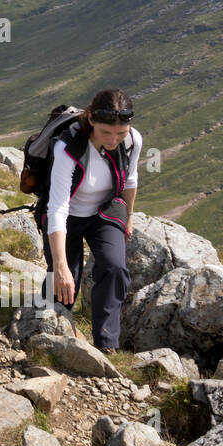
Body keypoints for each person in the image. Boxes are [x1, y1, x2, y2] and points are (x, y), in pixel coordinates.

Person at [41, 89, 142, 354]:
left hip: (105, 210)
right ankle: (47, 331)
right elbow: (58, 208)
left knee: (115, 269)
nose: (114, 140)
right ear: (93, 121)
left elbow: (130, 180)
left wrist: (129, 218)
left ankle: (107, 344)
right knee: (65, 281)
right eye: (106, 132)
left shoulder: (132, 141)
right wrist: (61, 266)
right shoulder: (68, 147)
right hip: (67, 215)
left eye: (120, 133)